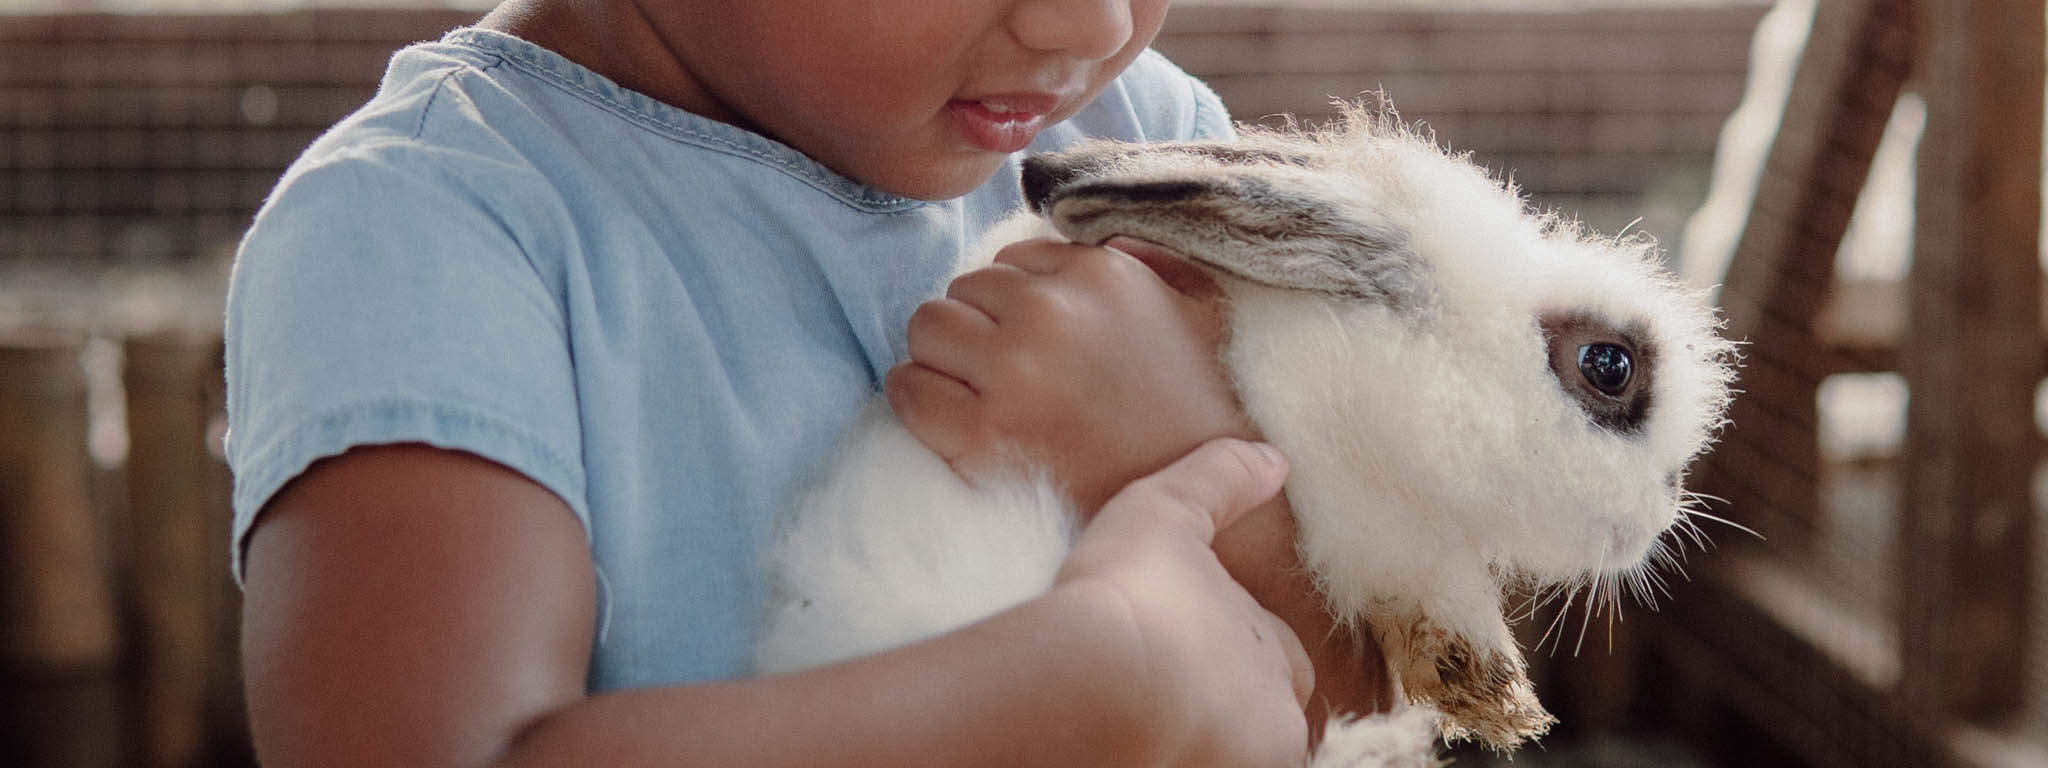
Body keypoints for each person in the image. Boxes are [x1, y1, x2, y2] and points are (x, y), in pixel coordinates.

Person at [226, 0, 1392, 764]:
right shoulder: (432, 227)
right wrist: (1093, 689)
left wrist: (1182, 453)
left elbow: (1380, 705)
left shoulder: (1134, 137)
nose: (1087, 22)